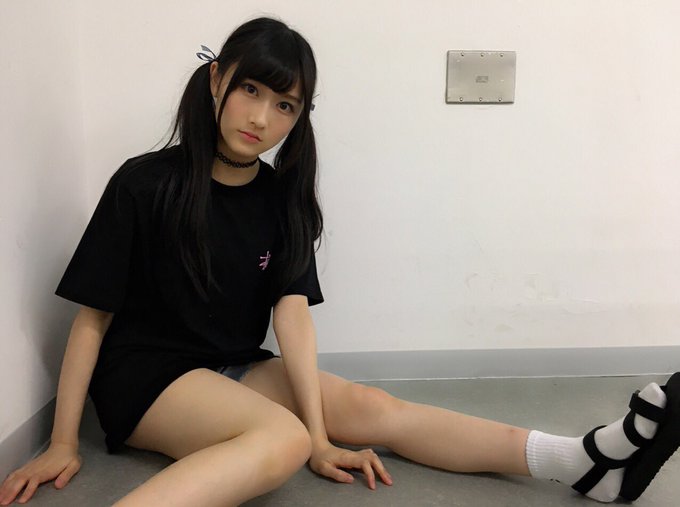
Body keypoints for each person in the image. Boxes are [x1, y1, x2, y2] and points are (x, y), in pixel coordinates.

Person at [0, 16, 678, 507]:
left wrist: (324, 435)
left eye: (284, 105)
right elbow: (93, 318)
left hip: (231, 365)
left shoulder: (280, 197)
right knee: (283, 438)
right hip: (146, 377)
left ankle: (581, 462)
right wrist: (64, 441)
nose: (261, 118)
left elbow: (291, 317)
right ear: (216, 80)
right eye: (250, 90)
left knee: (371, 407)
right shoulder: (144, 183)